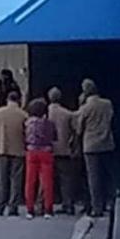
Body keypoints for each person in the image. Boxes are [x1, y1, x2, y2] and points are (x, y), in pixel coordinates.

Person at [77, 79, 115, 217]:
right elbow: (111, 118)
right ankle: (110, 202)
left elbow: (79, 128)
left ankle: (97, 207)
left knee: (94, 178)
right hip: (107, 143)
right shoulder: (107, 104)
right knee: (108, 175)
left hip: (91, 146)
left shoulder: (85, 108)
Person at [0, 90, 28, 216]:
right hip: (19, 151)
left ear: (7, 100)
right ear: (19, 100)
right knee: (16, 180)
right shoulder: (23, 115)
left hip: (2, 149)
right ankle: (13, 207)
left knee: (1, 179)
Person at [47, 87, 80, 215]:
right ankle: (68, 204)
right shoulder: (68, 114)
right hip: (64, 150)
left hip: (48, 150)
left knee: (46, 179)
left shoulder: (45, 112)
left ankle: (45, 206)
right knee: (66, 179)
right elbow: (76, 132)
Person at [24, 98, 57, 219]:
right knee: (47, 182)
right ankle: (48, 209)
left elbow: (25, 137)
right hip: (46, 152)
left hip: (32, 151)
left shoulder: (27, 123)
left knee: (30, 181)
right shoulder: (49, 123)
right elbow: (54, 137)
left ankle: (30, 209)